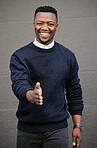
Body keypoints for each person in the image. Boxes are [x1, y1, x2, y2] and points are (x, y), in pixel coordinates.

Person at [10, 6, 84, 148]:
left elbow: (74, 92)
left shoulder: (68, 56)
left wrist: (78, 126)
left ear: (56, 26)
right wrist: (32, 95)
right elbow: (19, 84)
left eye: (50, 24)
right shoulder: (20, 56)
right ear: (33, 25)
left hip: (58, 131)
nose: (45, 27)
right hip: (27, 130)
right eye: (40, 23)